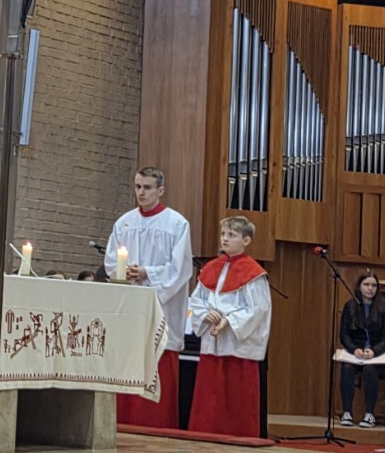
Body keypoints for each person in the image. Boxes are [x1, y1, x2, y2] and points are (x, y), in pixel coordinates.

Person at [104, 167, 193, 429]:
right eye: (138, 186)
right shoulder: (125, 223)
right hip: (130, 309)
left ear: (160, 190)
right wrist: (124, 272)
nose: (141, 192)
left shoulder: (176, 224)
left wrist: (147, 272)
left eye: (147, 187)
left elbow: (180, 269)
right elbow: (111, 262)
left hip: (161, 308)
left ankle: (158, 427)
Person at [188, 216, 270, 437]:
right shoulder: (210, 268)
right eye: (223, 234)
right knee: (210, 397)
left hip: (236, 345)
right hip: (212, 340)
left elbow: (258, 309)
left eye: (232, 235)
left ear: (246, 240)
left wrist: (228, 321)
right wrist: (206, 314)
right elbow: (197, 300)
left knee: (235, 398)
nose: (225, 238)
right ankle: (204, 435)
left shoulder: (254, 274)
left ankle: (238, 437)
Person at [338, 272, 385, 428]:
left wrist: (374, 351)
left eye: (374, 285)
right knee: (347, 368)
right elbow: (344, 334)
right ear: (359, 287)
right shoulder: (350, 306)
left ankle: (369, 414)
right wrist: (354, 349)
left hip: (376, 355)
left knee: (370, 369)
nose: (370, 288)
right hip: (355, 353)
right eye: (366, 285)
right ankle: (347, 412)